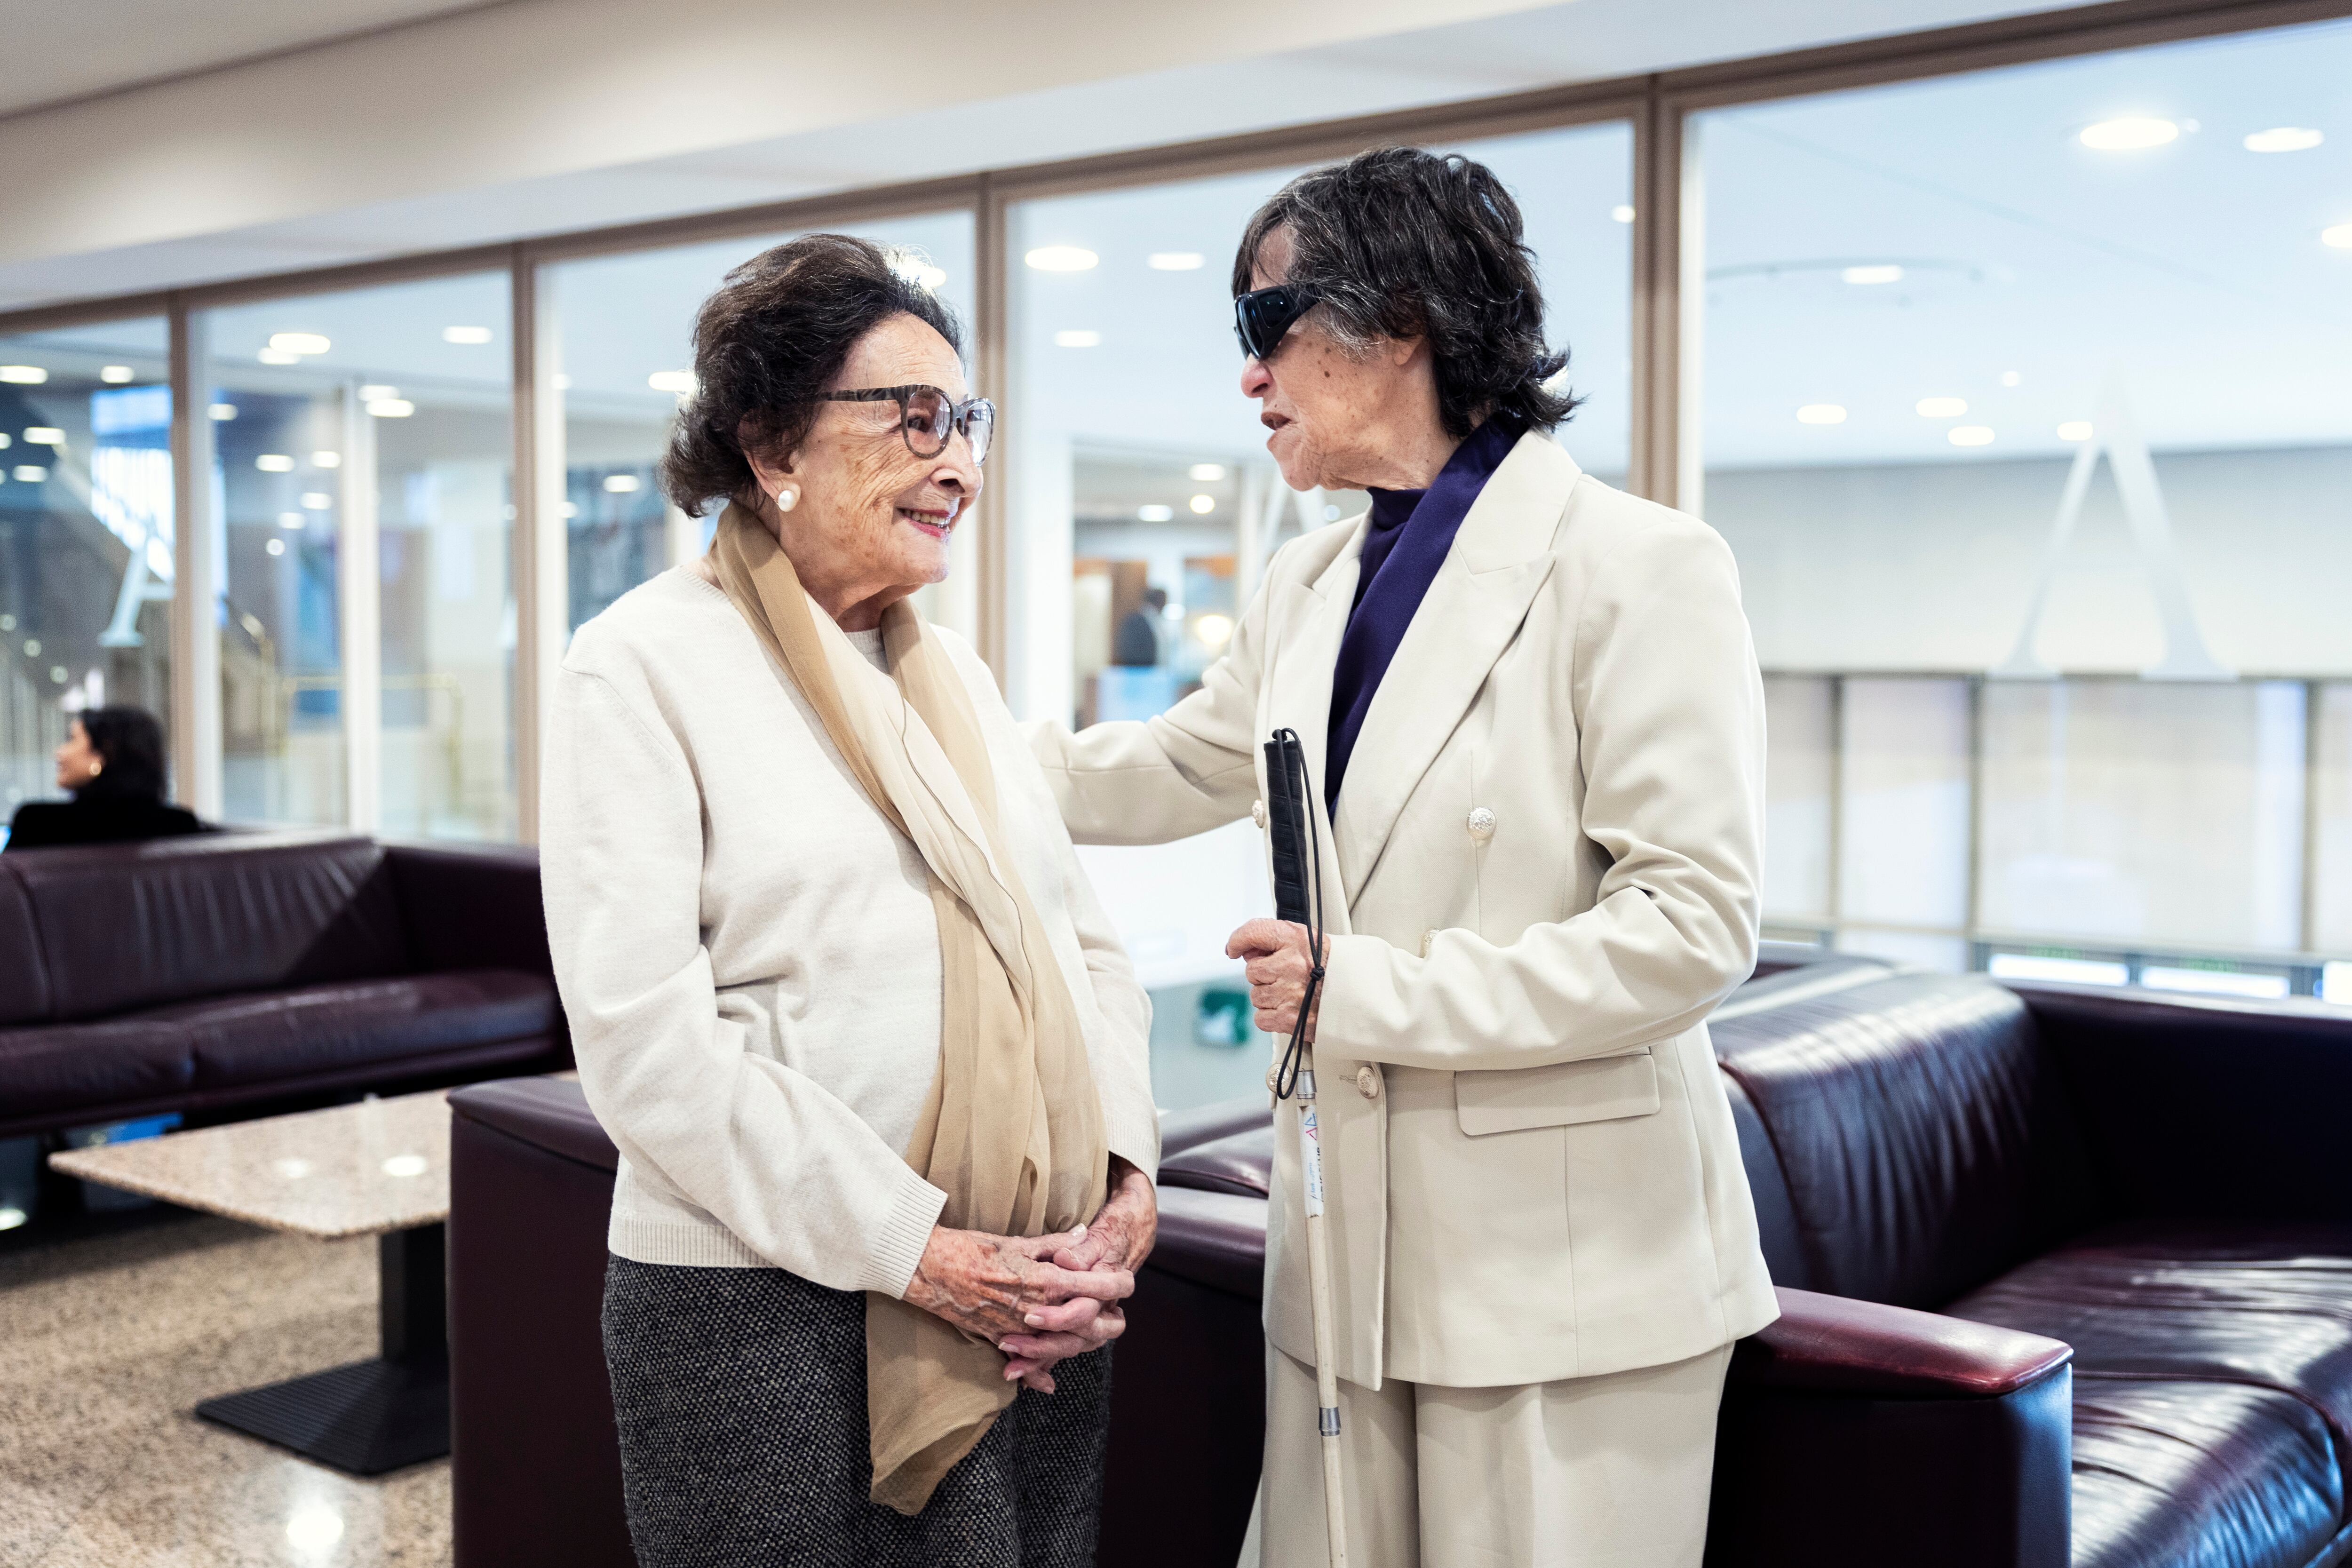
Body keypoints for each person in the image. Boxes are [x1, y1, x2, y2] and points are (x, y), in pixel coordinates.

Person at [1026, 148, 1778, 1567]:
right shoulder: (1310, 579)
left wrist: (1359, 994)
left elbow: (1690, 924)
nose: (1247, 377)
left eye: (1266, 328)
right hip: (1342, 1262)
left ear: (1403, 321)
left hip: (1566, 1287)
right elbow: (1181, 760)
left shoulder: (1639, 567)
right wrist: (925, 757)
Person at [539, 234, 1160, 1568]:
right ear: (774, 447)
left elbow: (1085, 952)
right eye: (916, 419)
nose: (962, 466)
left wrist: (1124, 1181)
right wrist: (919, 1247)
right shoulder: (641, 664)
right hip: (765, 1309)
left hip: (1027, 1303)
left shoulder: (961, 687)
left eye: (968, 421)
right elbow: (646, 1047)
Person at [5, 705, 202, 851]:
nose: (59, 753)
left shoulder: (37, 824)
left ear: (103, 754)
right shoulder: (182, 825)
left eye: (72, 740)